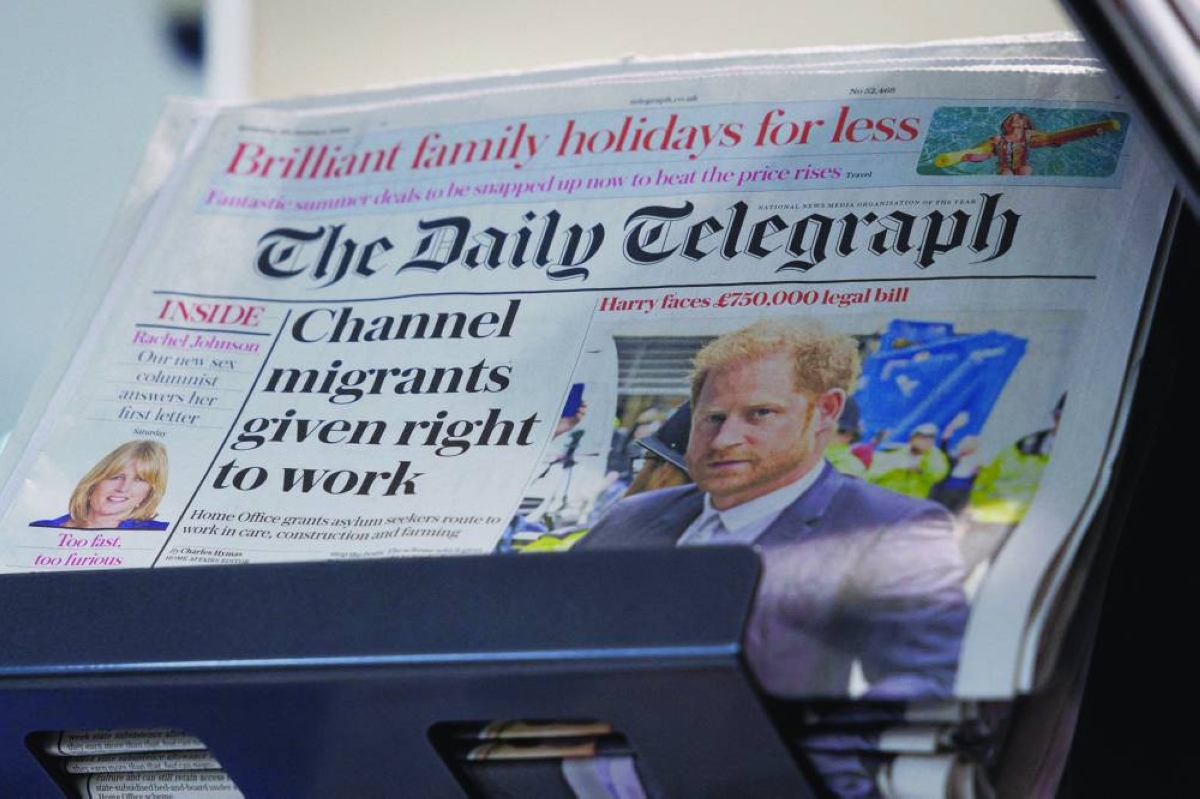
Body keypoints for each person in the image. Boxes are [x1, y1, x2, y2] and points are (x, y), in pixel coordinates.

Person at [577, 320, 969, 700]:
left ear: (826, 411)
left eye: (760, 413)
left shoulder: (890, 530)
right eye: (713, 418)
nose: (724, 439)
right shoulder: (631, 518)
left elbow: (926, 688)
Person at [30, 440, 169, 530]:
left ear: (148, 493)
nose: (123, 488)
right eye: (116, 477)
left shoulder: (159, 533)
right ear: (95, 481)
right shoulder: (40, 529)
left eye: (139, 480)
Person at [867, 423, 950, 499]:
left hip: (911, 505)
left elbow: (939, 474)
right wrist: (897, 467)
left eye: (929, 439)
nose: (923, 441)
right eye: (921, 437)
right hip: (884, 498)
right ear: (912, 438)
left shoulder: (935, 457)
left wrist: (921, 470)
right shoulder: (893, 452)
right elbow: (872, 473)